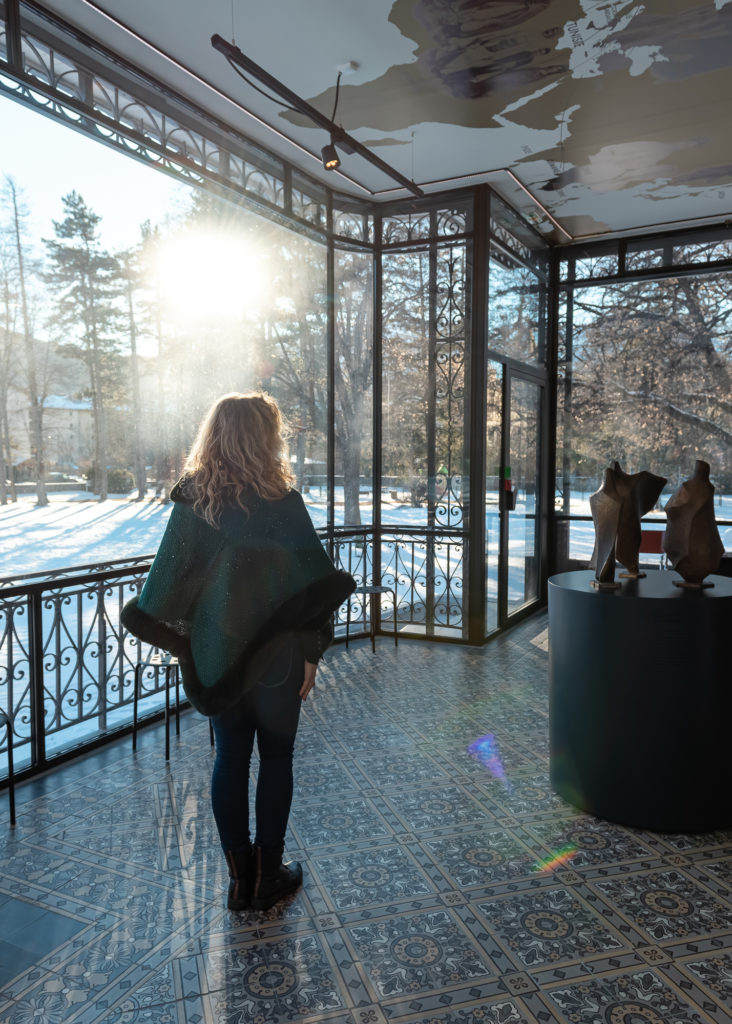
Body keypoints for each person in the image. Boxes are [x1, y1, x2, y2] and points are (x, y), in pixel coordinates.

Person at [121, 393, 354, 911]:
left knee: (230, 760)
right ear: (265, 439)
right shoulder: (284, 504)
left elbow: (157, 596)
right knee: (277, 759)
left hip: (218, 662)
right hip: (280, 661)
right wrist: (313, 651)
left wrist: (191, 646)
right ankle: (268, 876)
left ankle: (238, 881)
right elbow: (316, 587)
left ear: (214, 437)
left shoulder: (193, 505)